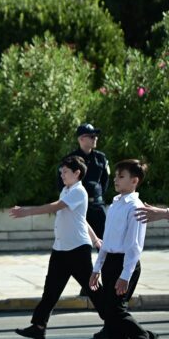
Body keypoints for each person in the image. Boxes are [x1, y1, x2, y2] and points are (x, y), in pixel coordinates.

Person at [10, 156, 105, 339]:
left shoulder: (79, 191)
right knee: (50, 291)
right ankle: (38, 327)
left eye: (66, 172)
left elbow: (57, 207)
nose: (62, 175)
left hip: (77, 250)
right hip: (61, 249)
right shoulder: (67, 190)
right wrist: (95, 239)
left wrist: (26, 212)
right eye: (61, 172)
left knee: (94, 290)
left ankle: (116, 323)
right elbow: (81, 218)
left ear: (77, 173)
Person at [89, 159, 158, 339]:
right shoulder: (114, 204)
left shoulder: (136, 207)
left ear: (134, 181)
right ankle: (110, 333)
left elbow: (134, 245)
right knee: (109, 307)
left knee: (117, 310)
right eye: (116, 176)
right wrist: (97, 268)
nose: (115, 180)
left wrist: (125, 275)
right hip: (110, 262)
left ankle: (144, 337)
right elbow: (107, 239)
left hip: (126, 262)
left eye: (121, 176)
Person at [59, 123, 110, 239]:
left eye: (96, 136)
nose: (95, 138)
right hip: (77, 207)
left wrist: (98, 196)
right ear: (81, 139)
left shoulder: (101, 158)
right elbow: (62, 182)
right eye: (92, 136)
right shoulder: (70, 160)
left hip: (97, 206)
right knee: (77, 243)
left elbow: (105, 181)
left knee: (104, 243)